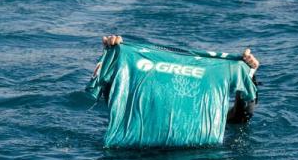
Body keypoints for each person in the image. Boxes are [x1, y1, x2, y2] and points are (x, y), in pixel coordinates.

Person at [98, 35, 260, 124]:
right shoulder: (140, 113)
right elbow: (116, 102)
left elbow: (241, 116)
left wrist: (248, 75)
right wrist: (115, 61)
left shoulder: (205, 116)